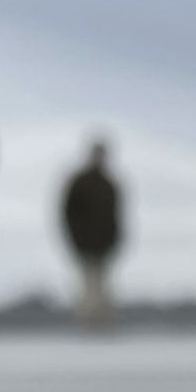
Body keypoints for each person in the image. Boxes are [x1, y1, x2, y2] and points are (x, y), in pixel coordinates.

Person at [60, 138, 123, 328]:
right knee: (88, 284)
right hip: (84, 243)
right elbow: (69, 212)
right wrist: (76, 237)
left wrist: (114, 239)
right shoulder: (80, 182)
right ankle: (87, 322)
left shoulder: (109, 185)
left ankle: (104, 321)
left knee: (103, 284)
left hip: (104, 244)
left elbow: (116, 216)